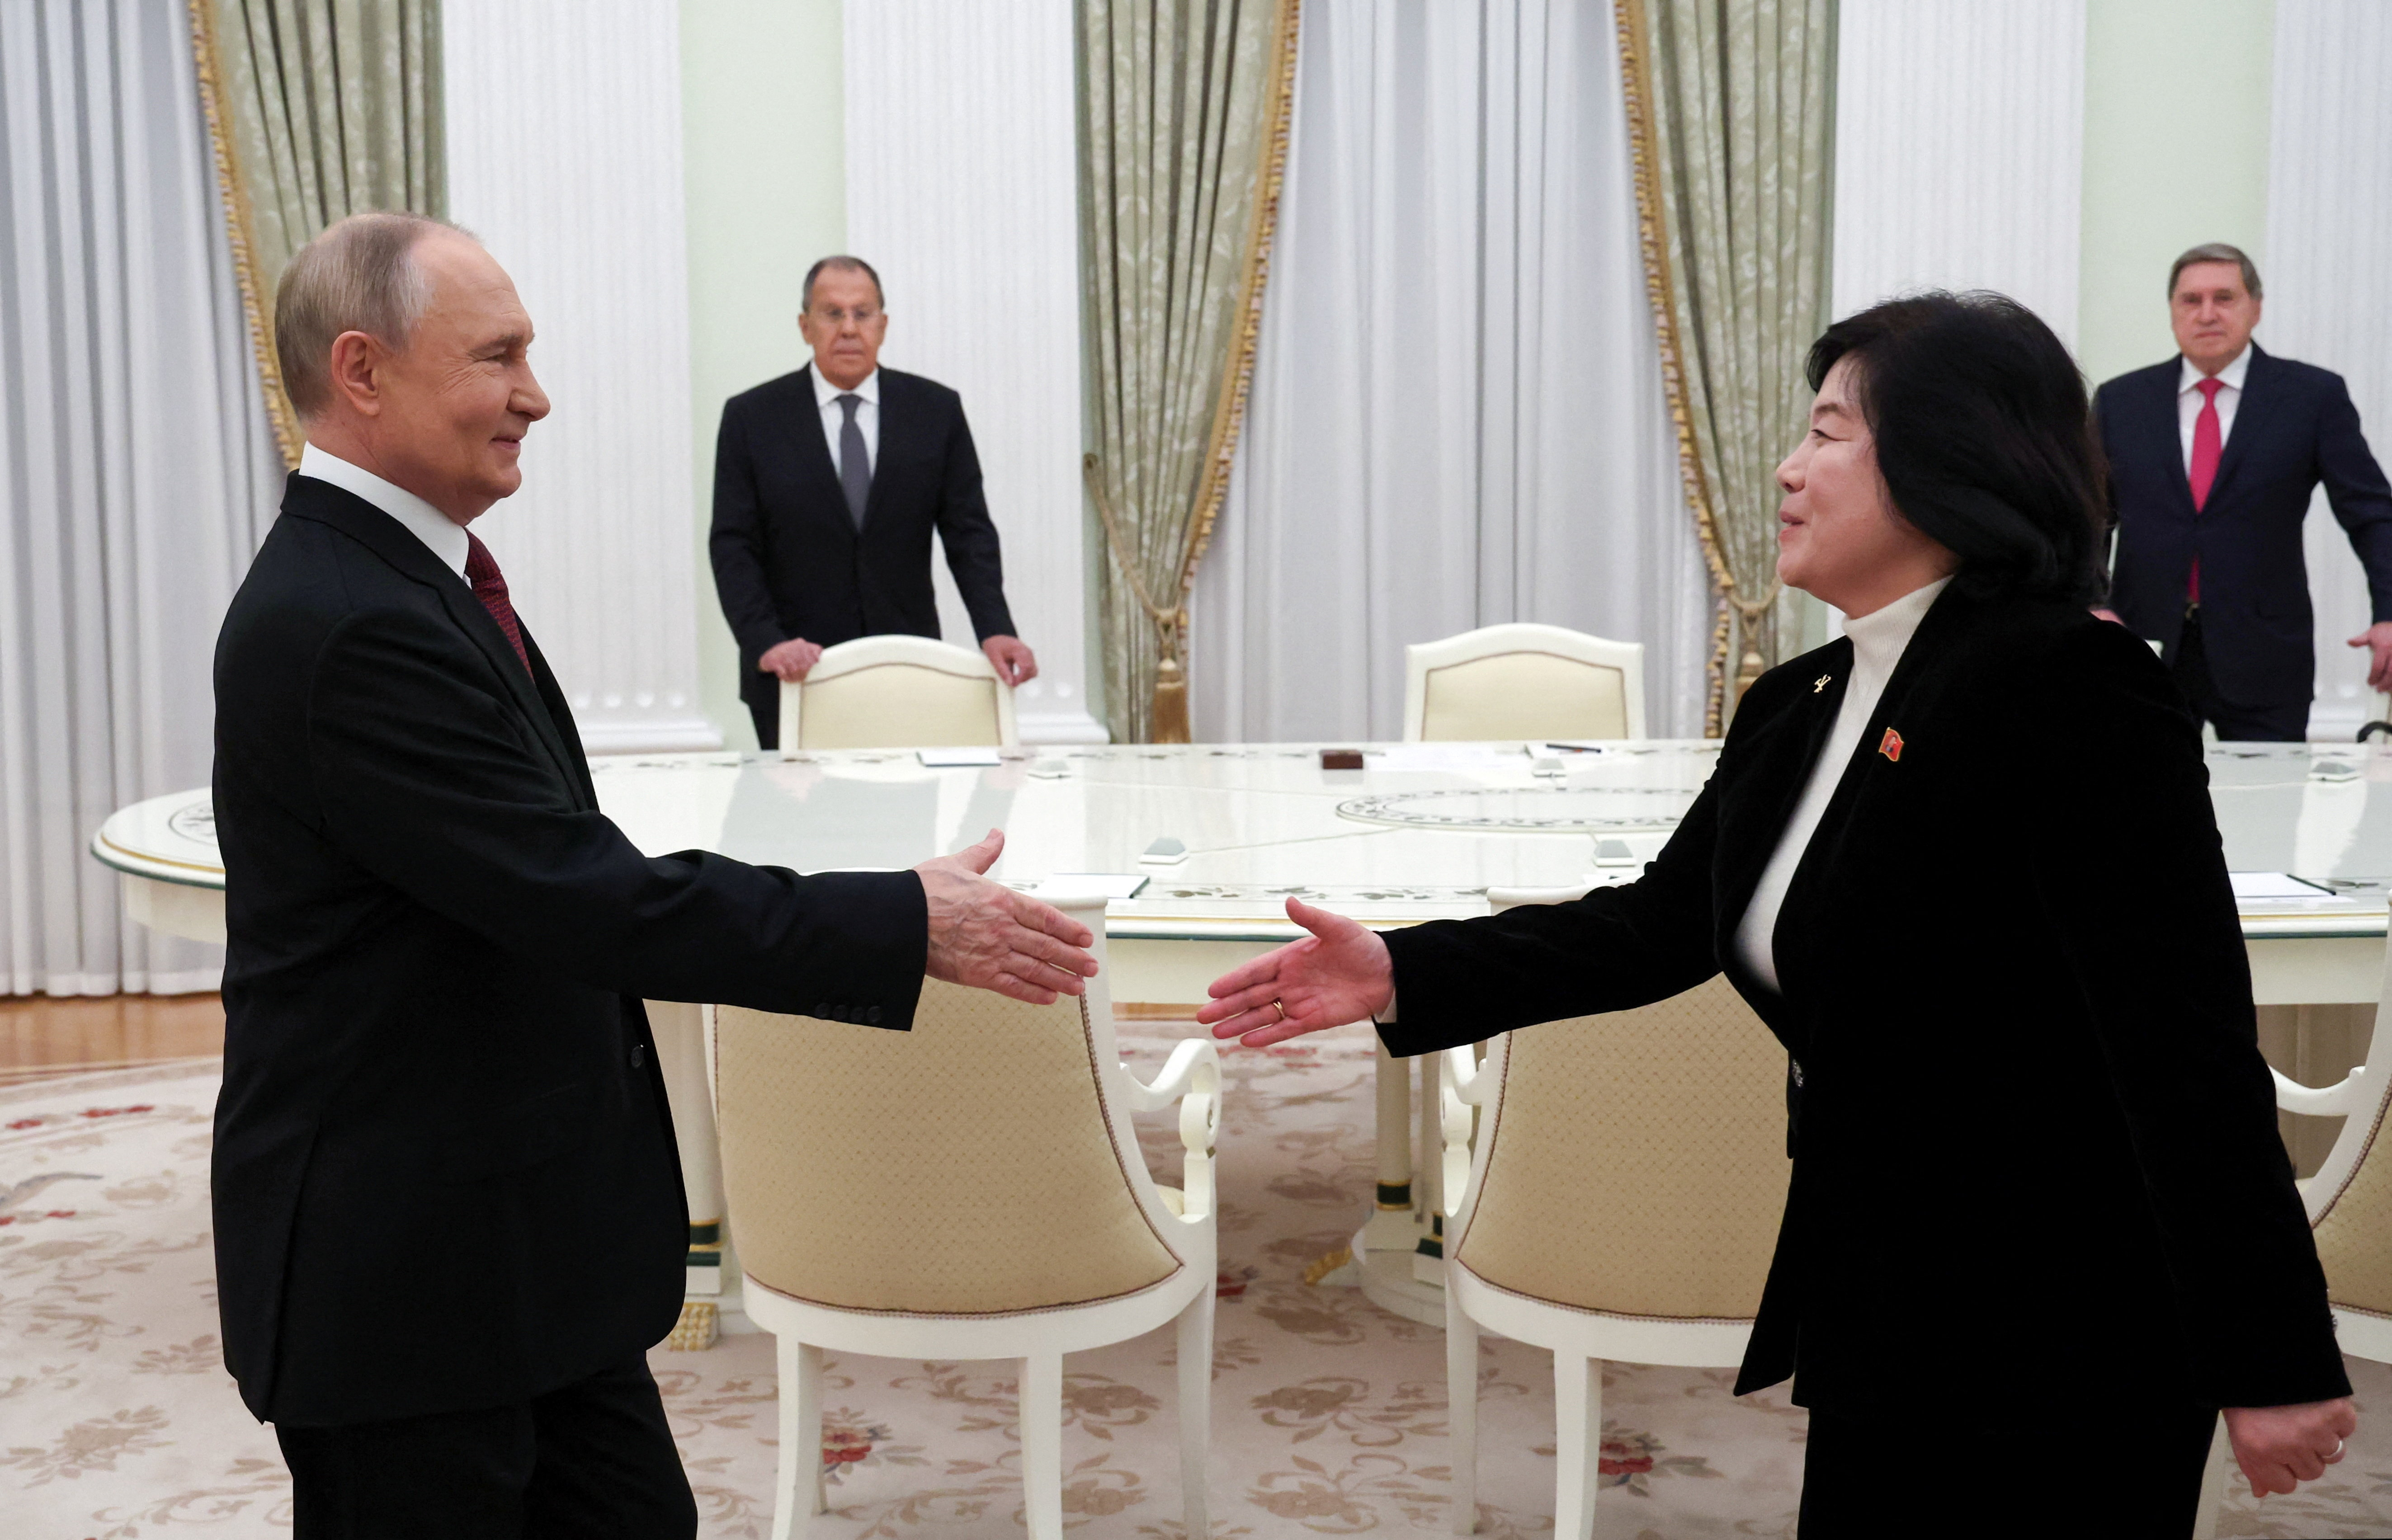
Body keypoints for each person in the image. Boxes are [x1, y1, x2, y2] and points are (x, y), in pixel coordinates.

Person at [1198, 292, 2357, 1533]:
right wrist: (1401, 969)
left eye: (1828, 430)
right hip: (1879, 1284)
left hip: (2058, 1316)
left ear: (1949, 456)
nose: (1785, 468)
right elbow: (1659, 923)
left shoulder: (2070, 687)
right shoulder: (1804, 696)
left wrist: (2271, 1348)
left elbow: (2180, 1046)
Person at [212, 212, 1097, 1539]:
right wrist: (897, 920)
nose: (536, 395)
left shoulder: (413, 578)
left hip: (516, 1238)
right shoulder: (343, 621)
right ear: (362, 370)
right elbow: (586, 895)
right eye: (497, 357)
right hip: (405, 1282)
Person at [708, 255, 1038, 750]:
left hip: (907, 669)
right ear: (804, 326)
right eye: (831, 313)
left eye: (862, 314)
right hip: (794, 672)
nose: (847, 328)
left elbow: (969, 534)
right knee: (801, 824)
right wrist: (766, 641)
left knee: (905, 822)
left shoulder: (935, 411)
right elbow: (733, 546)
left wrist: (995, 627)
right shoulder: (751, 418)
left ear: (882, 325)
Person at [2097, 242, 2392, 741]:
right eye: (2191, 300)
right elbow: (2087, 519)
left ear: (2255, 307)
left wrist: (2388, 612)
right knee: (2140, 809)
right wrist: (2088, 603)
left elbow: (2370, 513)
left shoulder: (2310, 398)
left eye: (2224, 298)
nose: (2207, 314)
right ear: (2171, 311)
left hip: (2265, 654)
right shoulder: (2120, 401)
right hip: (2141, 647)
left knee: (2270, 807)